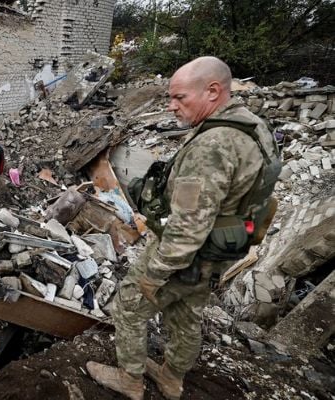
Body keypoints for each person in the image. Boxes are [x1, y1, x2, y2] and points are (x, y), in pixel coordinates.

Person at [86, 56, 281, 400]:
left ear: (213, 91)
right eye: (169, 98)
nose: (171, 106)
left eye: (180, 98)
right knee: (186, 315)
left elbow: (188, 226)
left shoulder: (212, 146)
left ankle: (129, 381)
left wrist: (155, 273)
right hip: (217, 250)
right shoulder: (251, 126)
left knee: (128, 306)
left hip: (187, 253)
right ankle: (171, 379)